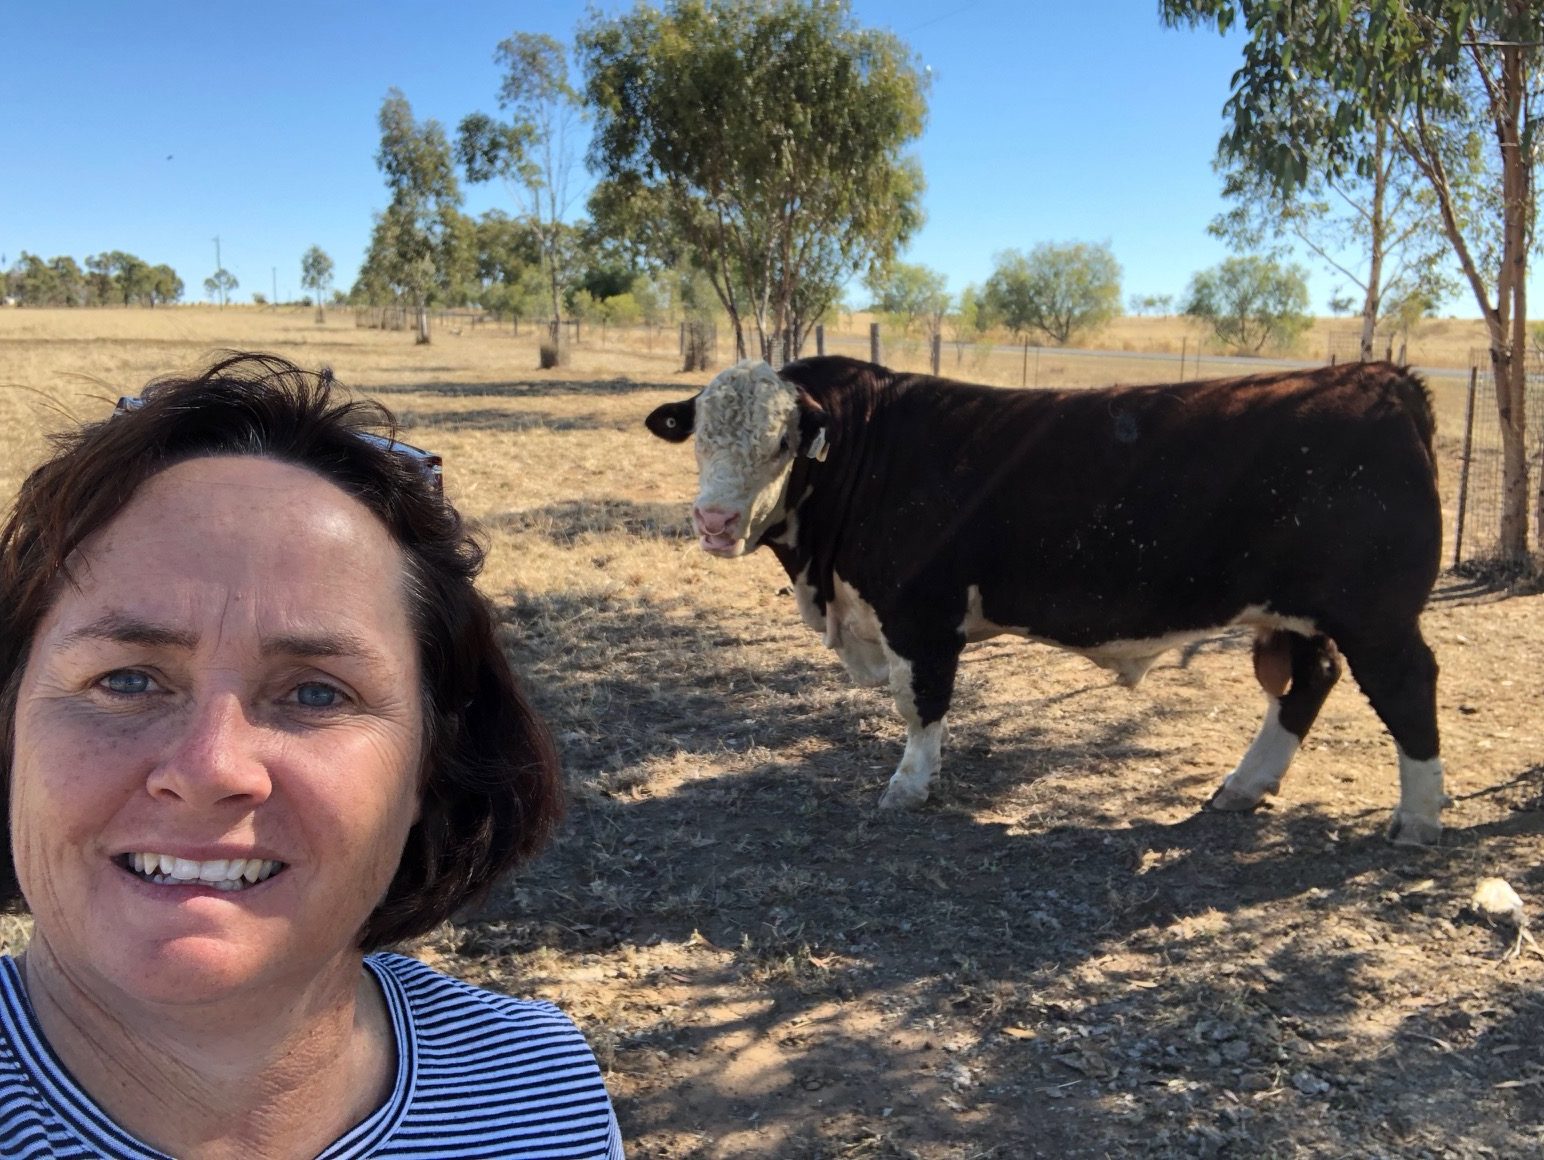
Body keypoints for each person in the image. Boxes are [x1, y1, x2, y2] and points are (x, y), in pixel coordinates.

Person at [0, 352, 624, 1159]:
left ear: (431, 766)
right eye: (126, 679)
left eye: (317, 693)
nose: (210, 767)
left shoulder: (541, 1091)